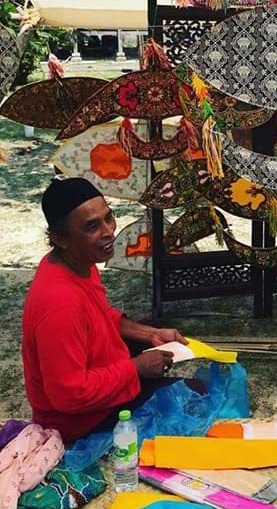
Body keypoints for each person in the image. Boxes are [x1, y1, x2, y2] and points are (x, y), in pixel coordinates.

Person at [22, 176, 196, 443]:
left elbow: (100, 316)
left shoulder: (76, 262)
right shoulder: (60, 304)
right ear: (60, 238)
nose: (108, 232)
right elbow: (68, 395)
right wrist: (135, 369)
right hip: (79, 421)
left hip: (94, 381)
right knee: (195, 394)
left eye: (108, 218)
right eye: (92, 226)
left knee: (155, 329)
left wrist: (150, 334)